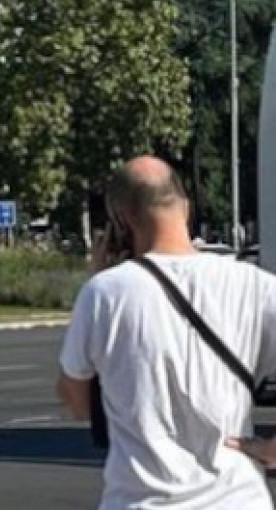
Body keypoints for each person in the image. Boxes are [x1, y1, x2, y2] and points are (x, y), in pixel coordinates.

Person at [57, 155, 276, 509]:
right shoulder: (255, 286)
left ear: (121, 222)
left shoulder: (104, 294)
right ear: (185, 209)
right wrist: (270, 450)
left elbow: (77, 402)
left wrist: (97, 277)